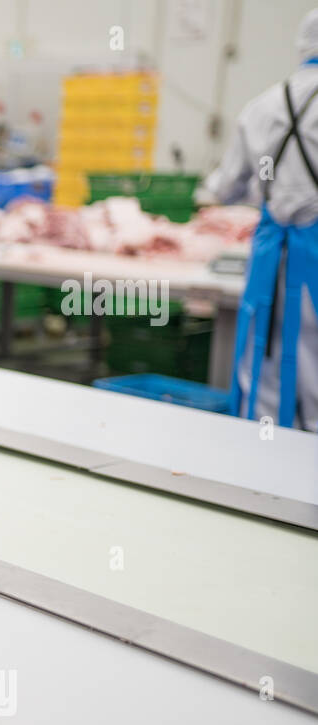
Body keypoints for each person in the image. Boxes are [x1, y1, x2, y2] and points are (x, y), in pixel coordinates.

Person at [200, 8, 318, 431]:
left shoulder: (264, 105)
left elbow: (224, 186)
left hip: (274, 259)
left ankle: (261, 465)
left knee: (264, 361)